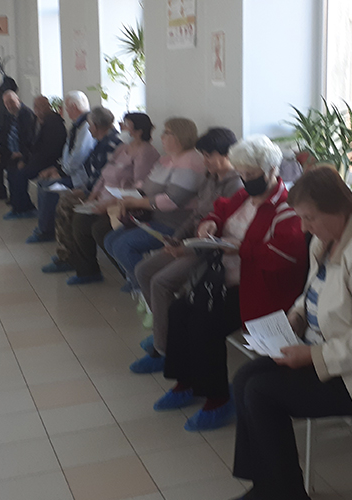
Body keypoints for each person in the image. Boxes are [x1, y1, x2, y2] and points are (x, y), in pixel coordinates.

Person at [230, 166, 352, 500]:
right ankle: (267, 485)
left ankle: (284, 493)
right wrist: (295, 317)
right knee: (244, 378)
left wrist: (312, 356)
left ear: (339, 209)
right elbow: (311, 294)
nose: (304, 227)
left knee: (261, 392)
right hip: (322, 350)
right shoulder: (325, 240)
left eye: (310, 218)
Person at [153, 135, 309, 432]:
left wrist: (241, 249)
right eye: (242, 173)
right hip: (226, 280)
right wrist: (210, 223)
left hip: (261, 291)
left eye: (251, 174)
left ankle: (217, 400)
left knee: (204, 323)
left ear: (271, 170)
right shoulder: (245, 196)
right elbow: (221, 209)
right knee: (179, 310)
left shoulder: (286, 207)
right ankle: (186, 382)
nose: (245, 179)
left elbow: (286, 257)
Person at [129, 127, 244, 372]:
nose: (204, 161)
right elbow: (196, 215)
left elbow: (224, 233)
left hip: (211, 252)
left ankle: (164, 350)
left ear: (227, 154)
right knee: (143, 271)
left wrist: (188, 249)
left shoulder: (236, 185)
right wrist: (176, 238)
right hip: (189, 243)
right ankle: (166, 331)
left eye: (209, 156)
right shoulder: (211, 178)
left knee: (161, 282)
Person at [42, 113, 161, 284]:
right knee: (80, 219)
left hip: (125, 204)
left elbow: (139, 187)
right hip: (104, 199)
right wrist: (92, 197)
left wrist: (109, 204)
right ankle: (87, 271)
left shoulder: (146, 153)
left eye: (126, 125)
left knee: (100, 229)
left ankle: (129, 274)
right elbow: (103, 176)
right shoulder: (122, 148)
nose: (121, 127)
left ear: (138, 131)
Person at [101, 118, 206, 292]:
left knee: (123, 245)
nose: (161, 137)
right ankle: (138, 281)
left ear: (180, 136)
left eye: (167, 133)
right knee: (110, 240)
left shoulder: (191, 162)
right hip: (154, 218)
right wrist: (126, 195)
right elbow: (146, 186)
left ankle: (145, 286)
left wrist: (135, 201)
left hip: (175, 224)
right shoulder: (166, 160)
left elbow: (171, 200)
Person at [28, 99, 121, 243]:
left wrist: (85, 191)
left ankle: (51, 236)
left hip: (96, 188)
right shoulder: (100, 140)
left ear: (96, 126)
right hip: (88, 184)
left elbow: (100, 175)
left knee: (59, 198)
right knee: (45, 185)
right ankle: (47, 231)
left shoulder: (108, 145)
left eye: (91, 126)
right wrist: (59, 169)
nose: (89, 129)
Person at [4, 96, 67, 219]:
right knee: (13, 168)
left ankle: (23, 209)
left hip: (48, 161)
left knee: (21, 174)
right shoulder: (36, 121)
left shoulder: (54, 123)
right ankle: (19, 205)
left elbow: (50, 150)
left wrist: (29, 162)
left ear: (48, 106)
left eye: (41, 106)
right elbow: (29, 143)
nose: (37, 109)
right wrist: (24, 159)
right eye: (36, 106)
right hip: (35, 158)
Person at [0, 90, 36, 201]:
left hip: (24, 153)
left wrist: (21, 154)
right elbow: (2, 136)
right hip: (10, 151)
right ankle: (0, 193)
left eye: (11, 102)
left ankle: (16, 198)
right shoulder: (8, 116)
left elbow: (30, 139)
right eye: (6, 103)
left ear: (18, 100)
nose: (9, 105)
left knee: (12, 167)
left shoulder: (27, 115)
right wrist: (0, 152)